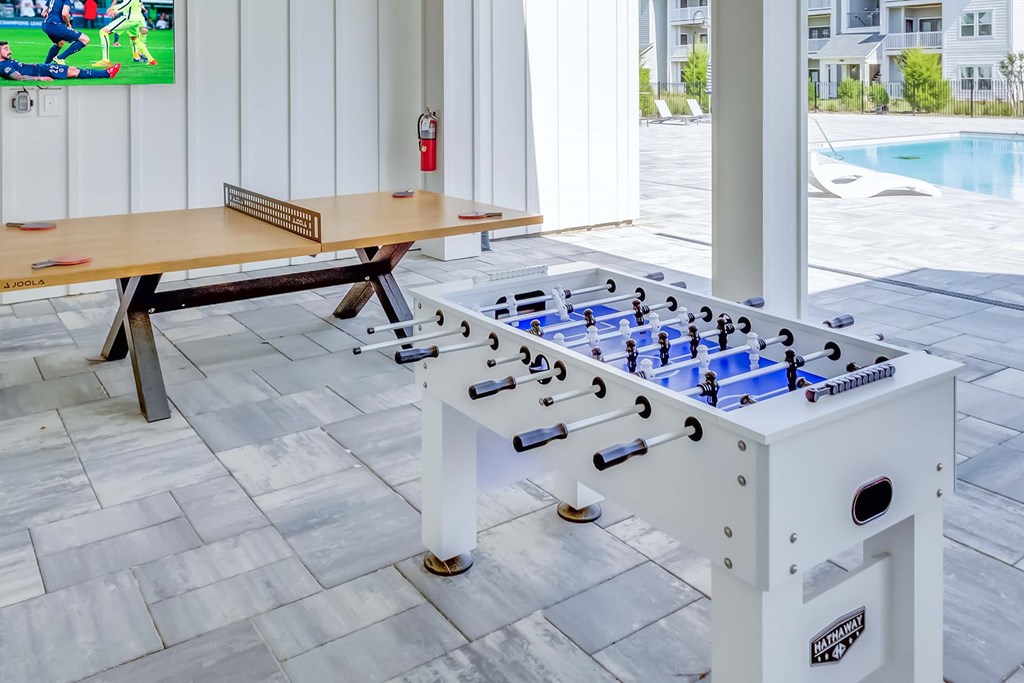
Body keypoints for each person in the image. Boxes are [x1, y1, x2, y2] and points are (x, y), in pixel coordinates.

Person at [0, 40, 119, 80]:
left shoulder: (5, 62)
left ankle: (106, 73)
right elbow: (18, 77)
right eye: (6, 49)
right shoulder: (3, 67)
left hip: (40, 68)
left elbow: (21, 67)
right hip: (42, 72)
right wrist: (40, 78)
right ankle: (107, 73)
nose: (9, 51)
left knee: (73, 69)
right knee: (73, 71)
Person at [93, 0, 153, 67]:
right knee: (135, 38)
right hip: (137, 19)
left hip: (129, 19)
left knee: (103, 32)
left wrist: (115, 10)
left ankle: (105, 60)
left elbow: (127, 3)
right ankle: (151, 60)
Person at [40, 0, 90, 65]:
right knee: (85, 39)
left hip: (45, 25)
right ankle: (60, 58)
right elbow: (64, 13)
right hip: (56, 25)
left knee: (60, 43)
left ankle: (46, 65)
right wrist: (68, 24)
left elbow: (43, 13)